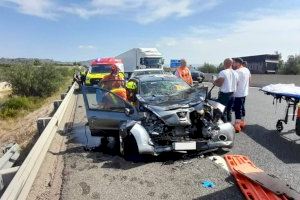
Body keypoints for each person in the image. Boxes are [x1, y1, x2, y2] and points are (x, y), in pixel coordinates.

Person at [214, 58, 239, 123]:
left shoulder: (223, 72)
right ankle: (229, 124)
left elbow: (219, 84)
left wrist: (214, 81)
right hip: (232, 94)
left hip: (224, 95)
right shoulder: (236, 73)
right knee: (229, 111)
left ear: (225, 64)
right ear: (232, 64)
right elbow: (237, 84)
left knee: (222, 111)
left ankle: (225, 125)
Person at [233, 58, 251, 132]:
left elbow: (235, 83)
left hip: (238, 93)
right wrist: (246, 87)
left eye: (234, 62)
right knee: (242, 107)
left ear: (238, 63)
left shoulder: (237, 72)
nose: (233, 64)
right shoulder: (246, 70)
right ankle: (242, 122)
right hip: (244, 92)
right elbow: (250, 79)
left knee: (237, 109)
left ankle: (237, 125)